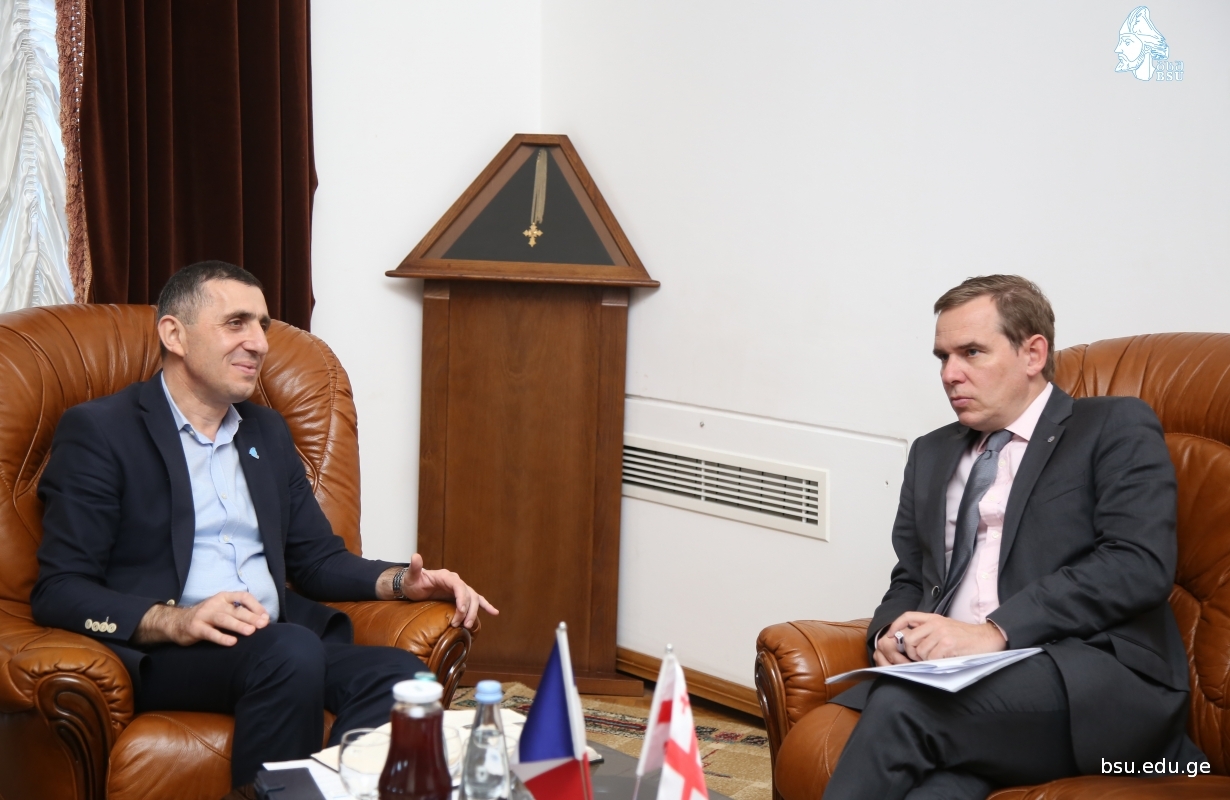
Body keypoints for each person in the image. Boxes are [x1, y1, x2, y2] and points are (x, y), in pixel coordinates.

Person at [31, 261, 498, 799]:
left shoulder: (266, 432)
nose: (258, 343)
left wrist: (402, 582)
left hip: (278, 643)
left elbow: (316, 560)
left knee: (401, 679)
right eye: (236, 323)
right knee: (290, 651)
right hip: (172, 652)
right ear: (174, 335)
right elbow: (59, 589)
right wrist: (175, 620)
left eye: (263, 325)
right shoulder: (101, 430)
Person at [822, 275, 1205, 799]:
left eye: (972, 352)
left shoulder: (1112, 427)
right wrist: (890, 633)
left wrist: (996, 631)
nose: (950, 374)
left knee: (903, 705)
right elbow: (911, 575)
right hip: (963, 683)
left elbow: (1136, 564)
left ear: (1032, 353)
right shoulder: (931, 453)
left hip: (1082, 676)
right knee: (935, 791)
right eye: (942, 357)